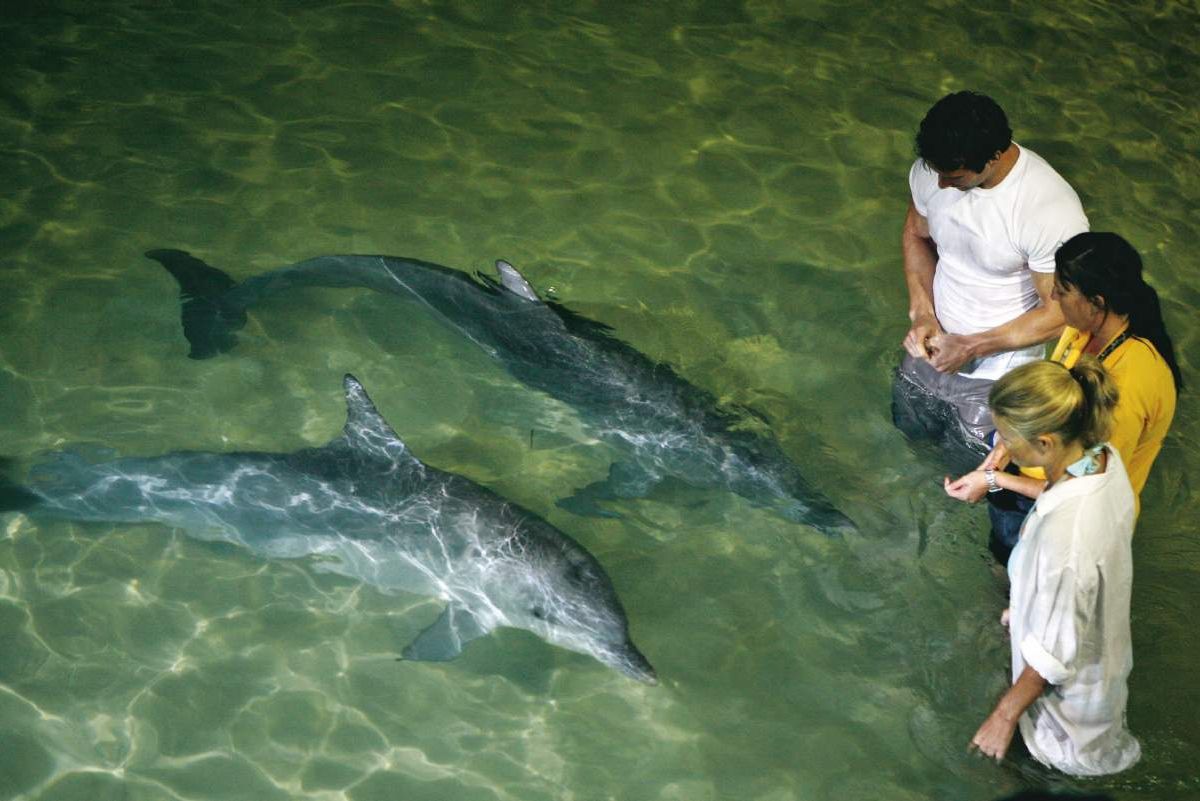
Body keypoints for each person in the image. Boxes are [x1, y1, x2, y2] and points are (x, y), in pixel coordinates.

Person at [945, 232, 1182, 563]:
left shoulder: (1132, 383)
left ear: (1097, 302)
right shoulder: (1082, 328)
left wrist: (993, 479)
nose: (1053, 296)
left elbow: (1086, 486)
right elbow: (1043, 403)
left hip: (1070, 517)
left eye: (1064, 290)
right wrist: (1000, 453)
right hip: (1030, 480)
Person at [892, 91, 1089, 472]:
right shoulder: (932, 173)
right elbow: (916, 234)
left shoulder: (1048, 210)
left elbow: (1062, 311)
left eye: (956, 176)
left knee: (964, 474)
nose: (943, 186)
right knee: (906, 441)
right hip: (930, 349)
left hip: (998, 377)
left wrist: (971, 346)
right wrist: (922, 313)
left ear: (994, 156)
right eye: (937, 173)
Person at [968, 358, 1140, 776]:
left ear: (1045, 443)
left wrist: (1003, 716)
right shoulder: (1100, 456)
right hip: (1098, 643)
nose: (1001, 445)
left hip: (1069, 722)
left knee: (1050, 770)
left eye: (1008, 437)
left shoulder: (1070, 539)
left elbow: (1054, 657)